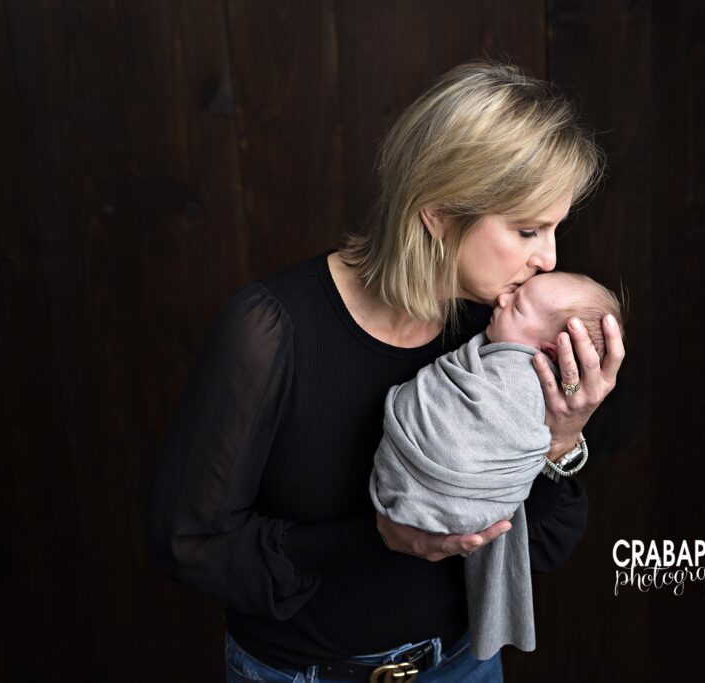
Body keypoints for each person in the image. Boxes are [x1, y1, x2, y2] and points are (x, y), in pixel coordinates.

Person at [145, 60, 624, 683]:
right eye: (528, 229)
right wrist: (377, 536)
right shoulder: (270, 330)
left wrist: (560, 442)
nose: (550, 258)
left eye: (556, 228)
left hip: (462, 665)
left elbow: (539, 549)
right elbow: (189, 543)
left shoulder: (499, 330)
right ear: (439, 213)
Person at [370, 272, 624, 661]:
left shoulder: (538, 388)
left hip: (458, 656)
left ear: (548, 350)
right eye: (527, 231)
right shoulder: (491, 335)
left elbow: (546, 544)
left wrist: (562, 440)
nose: (504, 301)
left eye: (518, 305)